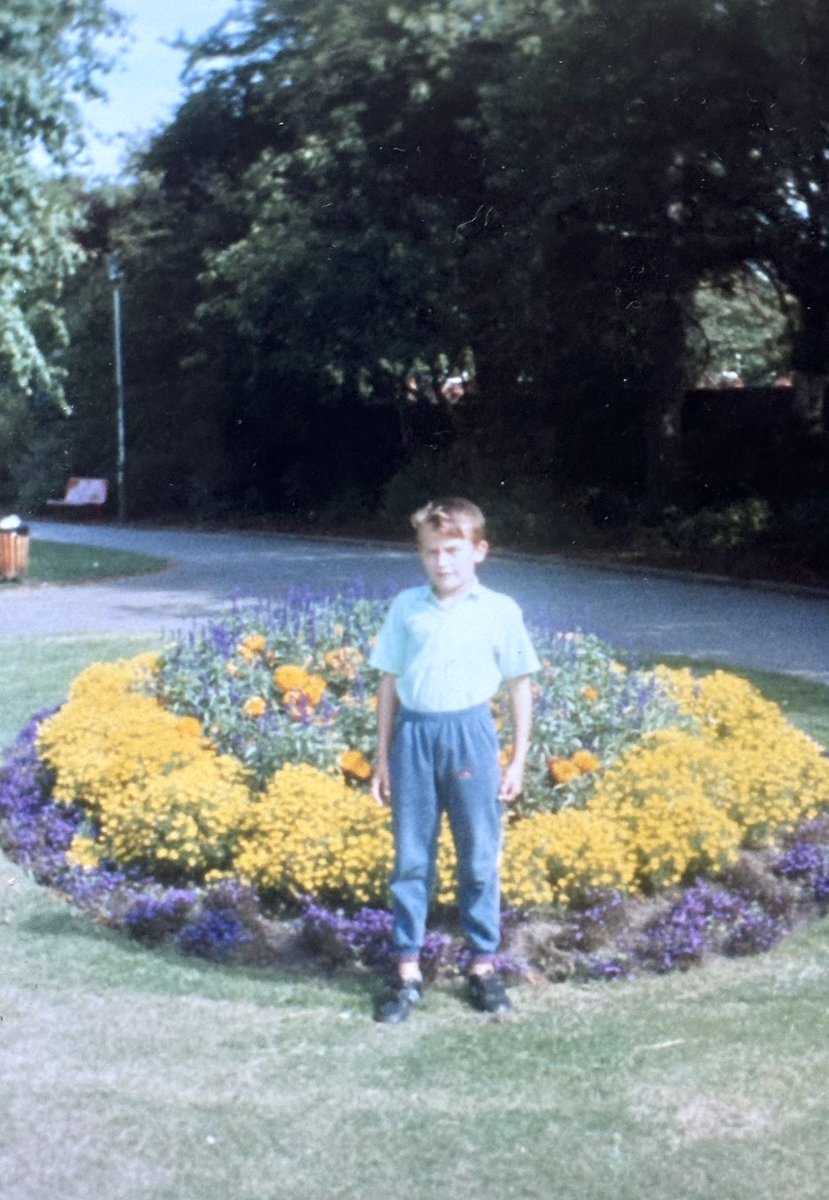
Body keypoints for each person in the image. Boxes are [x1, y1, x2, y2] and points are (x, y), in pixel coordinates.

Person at [369, 497, 540, 1023]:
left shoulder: (500, 610)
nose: (442, 562)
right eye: (431, 553)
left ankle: (483, 967)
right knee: (411, 859)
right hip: (415, 738)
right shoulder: (406, 608)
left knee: (479, 856)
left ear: (479, 552)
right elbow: (389, 684)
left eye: (452, 551)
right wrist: (382, 759)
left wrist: (516, 761)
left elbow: (520, 685)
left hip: (471, 737)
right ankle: (406, 971)